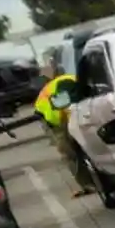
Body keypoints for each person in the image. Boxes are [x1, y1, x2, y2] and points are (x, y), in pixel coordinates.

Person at [33, 56, 95, 195]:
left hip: (59, 116)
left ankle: (91, 179)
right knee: (69, 151)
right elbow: (65, 106)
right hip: (54, 121)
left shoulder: (72, 81)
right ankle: (87, 184)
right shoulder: (66, 82)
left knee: (78, 148)